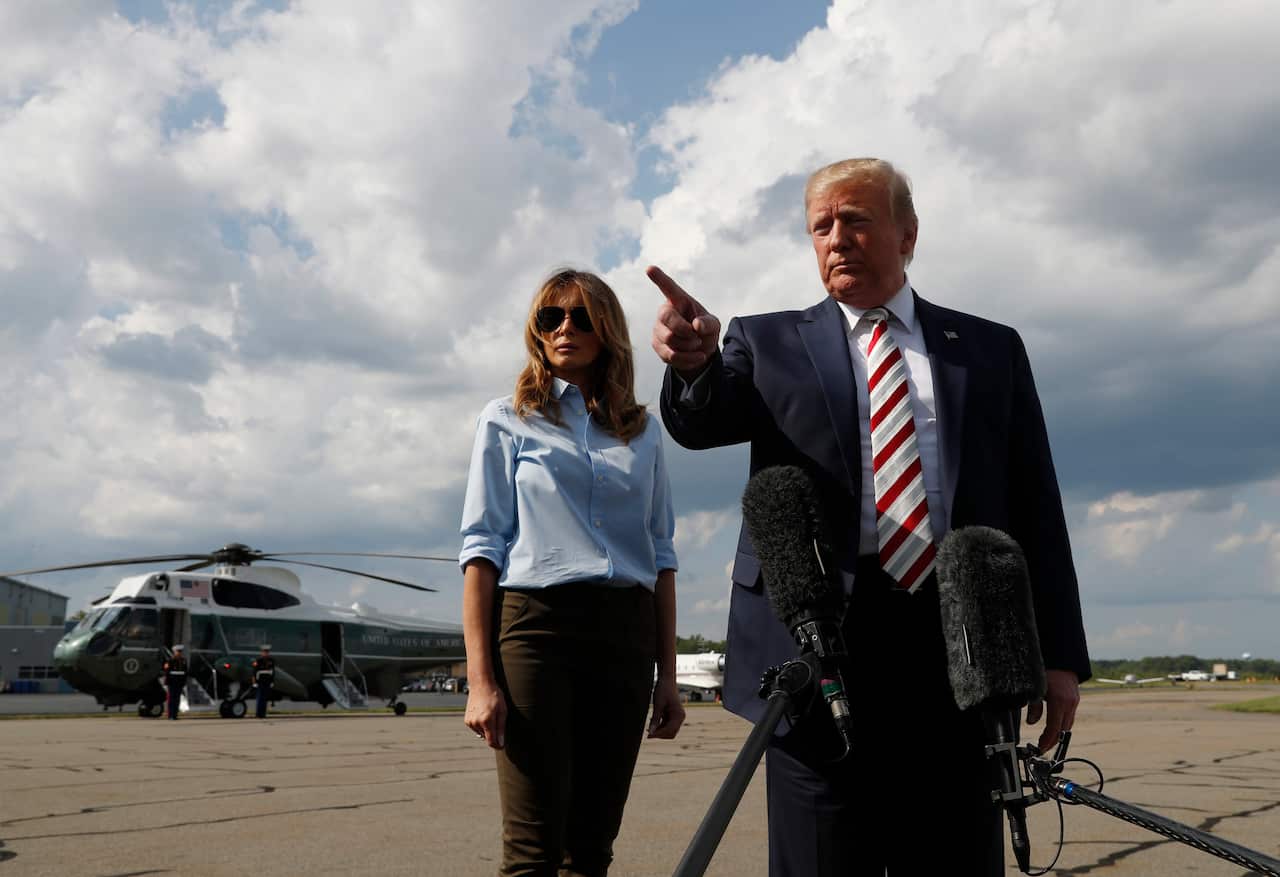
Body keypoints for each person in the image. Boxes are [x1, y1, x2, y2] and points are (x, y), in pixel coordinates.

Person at [648, 158, 1091, 876]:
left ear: (907, 232)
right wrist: (694, 365)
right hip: (815, 648)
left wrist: (1060, 654)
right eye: (820, 226)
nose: (836, 237)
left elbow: (1036, 503)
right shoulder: (766, 342)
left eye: (855, 219)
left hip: (956, 652)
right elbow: (701, 420)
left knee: (953, 857)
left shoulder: (988, 349)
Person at [460, 268, 686, 876]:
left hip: (625, 636)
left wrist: (667, 675)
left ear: (608, 329)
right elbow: (482, 550)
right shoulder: (506, 419)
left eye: (582, 317)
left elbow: (661, 556)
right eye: (551, 317)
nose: (566, 328)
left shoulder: (643, 433)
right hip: (536, 630)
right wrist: (481, 681)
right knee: (533, 847)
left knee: (591, 847)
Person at [162, 644, 187, 720]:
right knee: (171, 699)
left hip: (179, 682)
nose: (179, 653)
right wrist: (167, 681)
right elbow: (167, 671)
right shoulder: (170, 660)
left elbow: (185, 671)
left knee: (177, 699)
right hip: (172, 682)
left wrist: (184, 682)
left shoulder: (183, 660)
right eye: (178, 651)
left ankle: (175, 715)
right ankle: (170, 715)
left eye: (180, 651)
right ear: (174, 652)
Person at [251, 644, 274, 719]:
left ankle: (263, 714)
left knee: (265, 699)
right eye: (264, 652)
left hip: (267, 681)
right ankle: (258, 714)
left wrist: (272, 681)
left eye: (267, 652)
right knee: (259, 698)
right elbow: (254, 672)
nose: (266, 653)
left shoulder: (271, 660)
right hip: (260, 681)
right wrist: (254, 682)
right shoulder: (258, 660)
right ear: (262, 653)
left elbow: (272, 672)